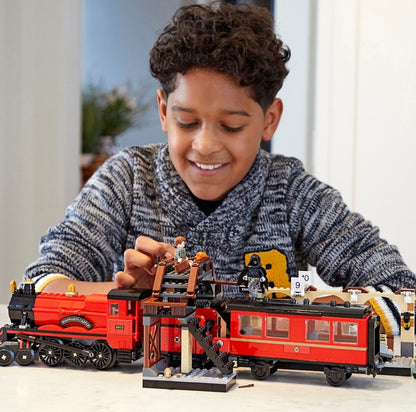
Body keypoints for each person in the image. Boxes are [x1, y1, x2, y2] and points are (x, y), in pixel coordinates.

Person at [24, 1, 415, 335]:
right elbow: (41, 284)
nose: (206, 145)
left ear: (270, 120)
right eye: (187, 122)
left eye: (231, 126)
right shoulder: (125, 180)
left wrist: (311, 311)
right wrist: (133, 298)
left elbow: (402, 292)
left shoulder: (293, 193)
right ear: (163, 111)